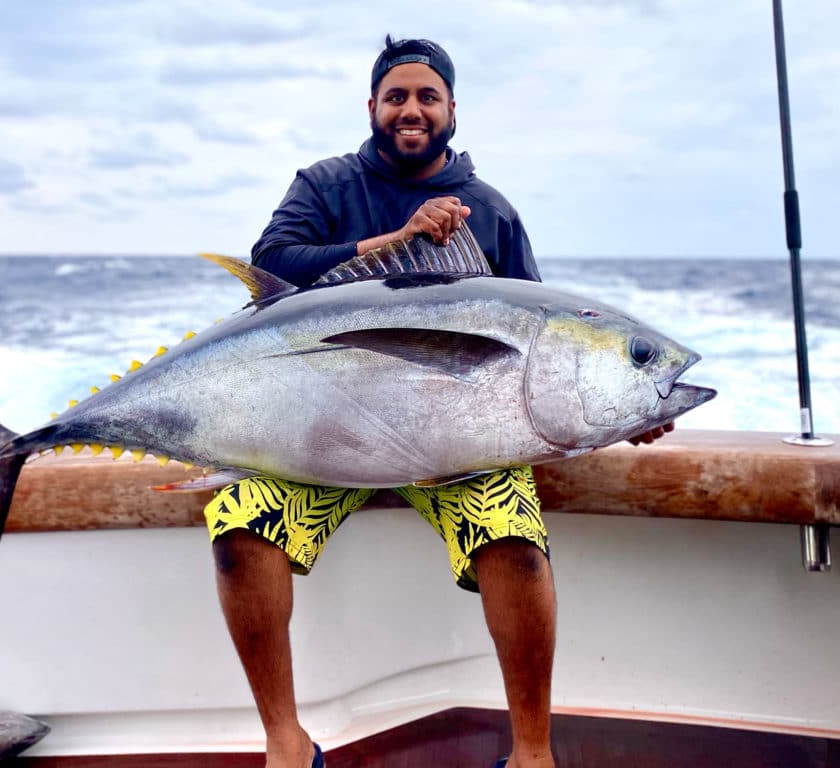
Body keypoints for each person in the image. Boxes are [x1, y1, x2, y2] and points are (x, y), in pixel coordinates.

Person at [203, 35, 669, 768]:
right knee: (239, 527)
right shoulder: (325, 186)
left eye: (427, 96)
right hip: (328, 441)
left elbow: (551, 344)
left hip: (462, 450)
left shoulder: (492, 212)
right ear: (372, 107)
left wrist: (625, 404)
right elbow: (272, 263)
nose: (410, 109)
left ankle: (532, 752)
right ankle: (285, 741)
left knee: (512, 535)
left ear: (453, 109)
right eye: (397, 96)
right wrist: (394, 239)